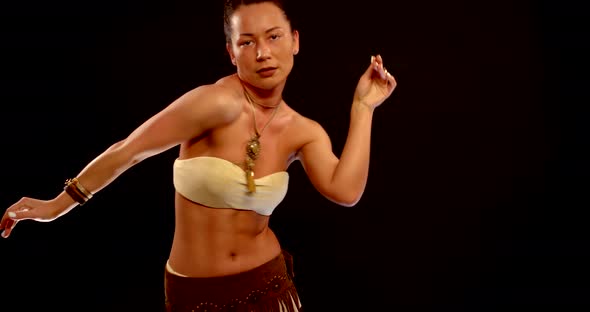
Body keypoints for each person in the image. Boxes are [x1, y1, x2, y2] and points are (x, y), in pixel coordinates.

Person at [0, 0, 396, 311]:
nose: (262, 53)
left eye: (274, 37)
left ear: (295, 41)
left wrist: (363, 109)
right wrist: (56, 206)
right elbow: (129, 151)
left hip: (270, 287)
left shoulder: (303, 131)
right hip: (193, 295)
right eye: (246, 42)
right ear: (231, 52)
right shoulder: (214, 103)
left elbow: (345, 190)